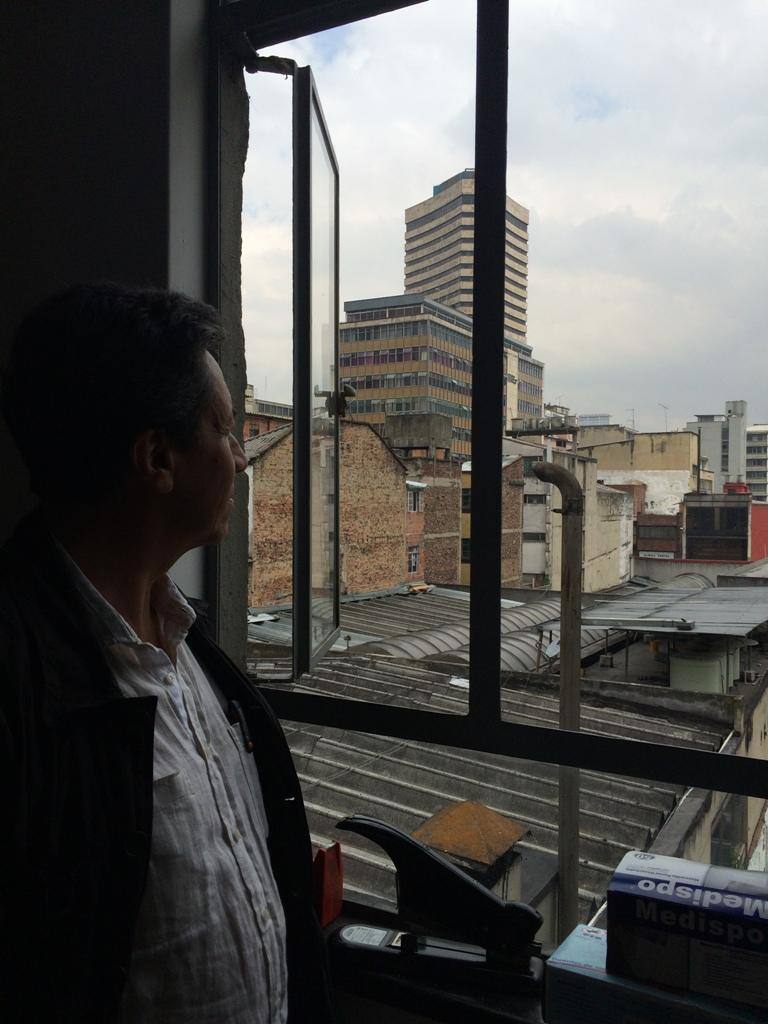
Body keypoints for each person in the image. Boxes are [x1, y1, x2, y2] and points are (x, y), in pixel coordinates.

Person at [0, 283, 334, 1023]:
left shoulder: (186, 642)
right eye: (225, 430)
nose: (241, 459)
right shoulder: (20, 680)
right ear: (157, 457)